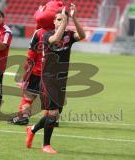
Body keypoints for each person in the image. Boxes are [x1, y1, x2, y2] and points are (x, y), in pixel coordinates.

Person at [26, 4, 85, 154]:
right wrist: (65, 20)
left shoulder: (69, 36)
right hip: (48, 78)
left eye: (62, 19)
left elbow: (82, 35)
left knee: (54, 114)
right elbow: (56, 38)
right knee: (52, 113)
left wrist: (74, 18)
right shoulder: (47, 35)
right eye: (58, 19)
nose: (61, 21)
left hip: (62, 79)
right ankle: (46, 145)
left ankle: (32, 129)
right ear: (54, 22)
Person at [9, 0, 64, 125]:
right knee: (51, 98)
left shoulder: (38, 33)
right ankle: (52, 119)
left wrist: (25, 76)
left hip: (37, 71)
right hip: (54, 73)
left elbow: (31, 56)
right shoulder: (63, 34)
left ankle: (23, 116)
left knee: (28, 96)